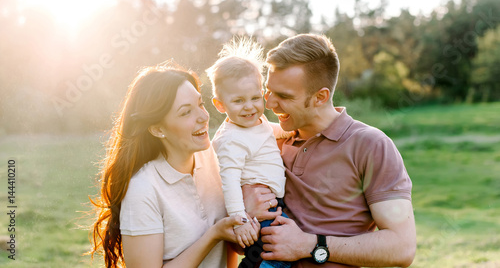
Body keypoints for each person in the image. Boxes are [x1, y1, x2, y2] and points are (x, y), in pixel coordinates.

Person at [242, 34, 416, 268]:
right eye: (268, 90)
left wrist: (311, 245)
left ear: (320, 97)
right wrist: (246, 214)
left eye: (284, 96)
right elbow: (236, 243)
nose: (269, 103)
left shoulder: (370, 145)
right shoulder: (264, 141)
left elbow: (401, 248)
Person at [88, 61, 259, 268]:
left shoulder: (213, 157)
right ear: (158, 129)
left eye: (200, 104)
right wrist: (213, 235)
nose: (204, 117)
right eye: (186, 112)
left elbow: (233, 246)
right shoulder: (142, 189)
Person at [207, 38, 293, 268]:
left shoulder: (257, 121)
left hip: (272, 203)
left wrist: (290, 131)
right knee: (278, 257)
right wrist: (241, 221)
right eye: (238, 101)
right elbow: (230, 182)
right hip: (256, 212)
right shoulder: (230, 140)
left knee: (270, 254)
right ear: (220, 104)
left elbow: (269, 130)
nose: (249, 107)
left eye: (255, 98)